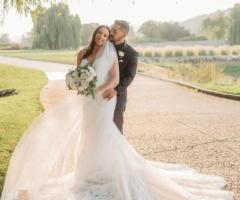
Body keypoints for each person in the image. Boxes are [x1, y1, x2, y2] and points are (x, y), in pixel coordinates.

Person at [1, 25, 234, 200]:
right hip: (86, 102)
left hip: (103, 100)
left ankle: (109, 173)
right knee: (88, 135)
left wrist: (100, 89)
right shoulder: (82, 53)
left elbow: (115, 77)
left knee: (105, 134)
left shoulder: (111, 51)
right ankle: (89, 173)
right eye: (100, 34)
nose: (102, 37)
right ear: (94, 35)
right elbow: (74, 75)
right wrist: (76, 83)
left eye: (105, 34)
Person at [101, 20, 138, 135]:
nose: (111, 32)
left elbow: (129, 76)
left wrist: (116, 91)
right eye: (111, 29)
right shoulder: (102, 47)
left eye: (115, 31)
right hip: (99, 91)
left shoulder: (131, 53)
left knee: (116, 125)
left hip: (117, 95)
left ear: (124, 34)